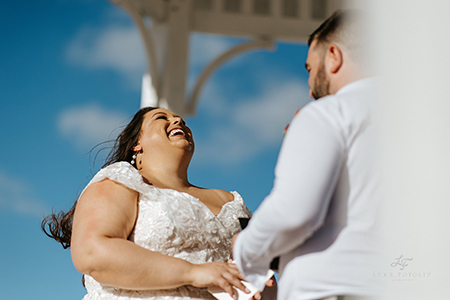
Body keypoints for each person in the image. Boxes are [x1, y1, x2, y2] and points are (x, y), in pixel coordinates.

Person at [233, 10, 381, 300]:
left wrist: (244, 248)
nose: (311, 86)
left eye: (311, 69)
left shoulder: (329, 113)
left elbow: (294, 213)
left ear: (334, 56)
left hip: (333, 289)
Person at [42, 107, 256, 300]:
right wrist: (193, 272)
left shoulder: (228, 200)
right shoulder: (121, 180)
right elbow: (92, 253)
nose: (178, 120)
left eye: (181, 119)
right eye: (162, 117)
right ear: (137, 144)